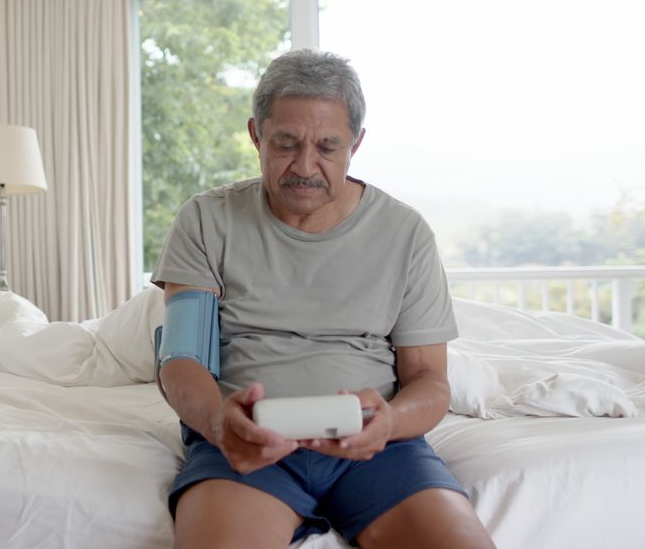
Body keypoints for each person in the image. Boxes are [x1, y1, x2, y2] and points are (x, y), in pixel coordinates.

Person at [150, 49, 495, 549]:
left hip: (381, 450)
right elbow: (181, 361)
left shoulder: (405, 233)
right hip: (245, 443)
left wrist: (391, 422)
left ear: (356, 143)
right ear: (255, 135)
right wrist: (218, 426)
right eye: (285, 143)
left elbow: (429, 380)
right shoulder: (207, 219)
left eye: (328, 147)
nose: (305, 167)